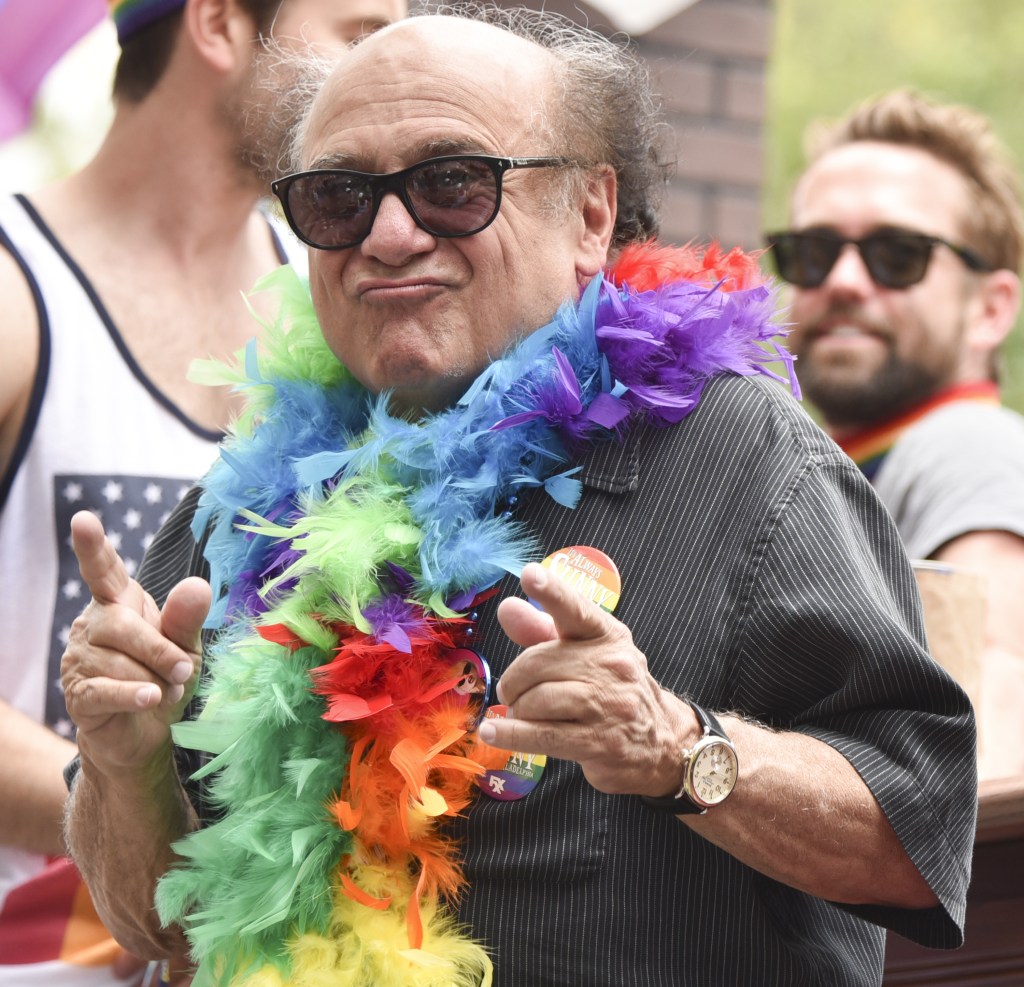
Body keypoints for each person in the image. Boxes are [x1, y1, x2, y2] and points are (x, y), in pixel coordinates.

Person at [60, 8, 977, 985]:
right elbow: (149, 918)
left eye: (453, 183)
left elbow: (916, 848)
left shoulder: (741, 458)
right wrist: (124, 765)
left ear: (586, 215)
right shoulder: (248, 497)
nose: (390, 232)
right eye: (337, 197)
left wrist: (680, 748)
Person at [0, 0, 403, 982]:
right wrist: (125, 791)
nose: (388, 71)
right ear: (219, 23)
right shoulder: (16, 289)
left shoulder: (342, 303)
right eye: (358, 33)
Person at [766, 89, 1024, 780]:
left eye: (898, 253)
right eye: (815, 251)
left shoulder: (968, 445)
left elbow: (985, 765)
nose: (845, 281)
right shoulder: (845, 468)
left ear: (992, 308)